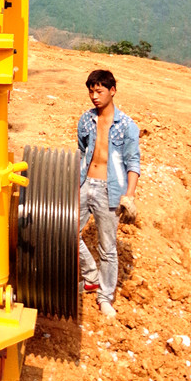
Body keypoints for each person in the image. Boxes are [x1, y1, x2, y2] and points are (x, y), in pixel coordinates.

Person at [77, 69, 140, 319]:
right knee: (68, 232)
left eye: (99, 91)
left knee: (108, 248)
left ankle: (105, 297)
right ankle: (91, 276)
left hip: (109, 190)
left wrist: (129, 196)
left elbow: (133, 162)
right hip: (84, 184)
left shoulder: (127, 126)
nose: (94, 96)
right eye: (91, 91)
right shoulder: (86, 120)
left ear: (112, 91)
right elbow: (81, 151)